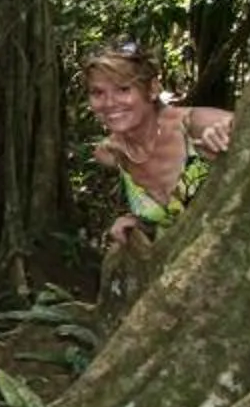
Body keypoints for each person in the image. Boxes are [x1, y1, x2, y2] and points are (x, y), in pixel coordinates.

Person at [84, 40, 233, 250]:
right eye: (98, 93)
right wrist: (140, 224)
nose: (109, 103)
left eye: (123, 89)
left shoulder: (195, 125)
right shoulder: (111, 153)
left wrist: (230, 132)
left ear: (152, 89)